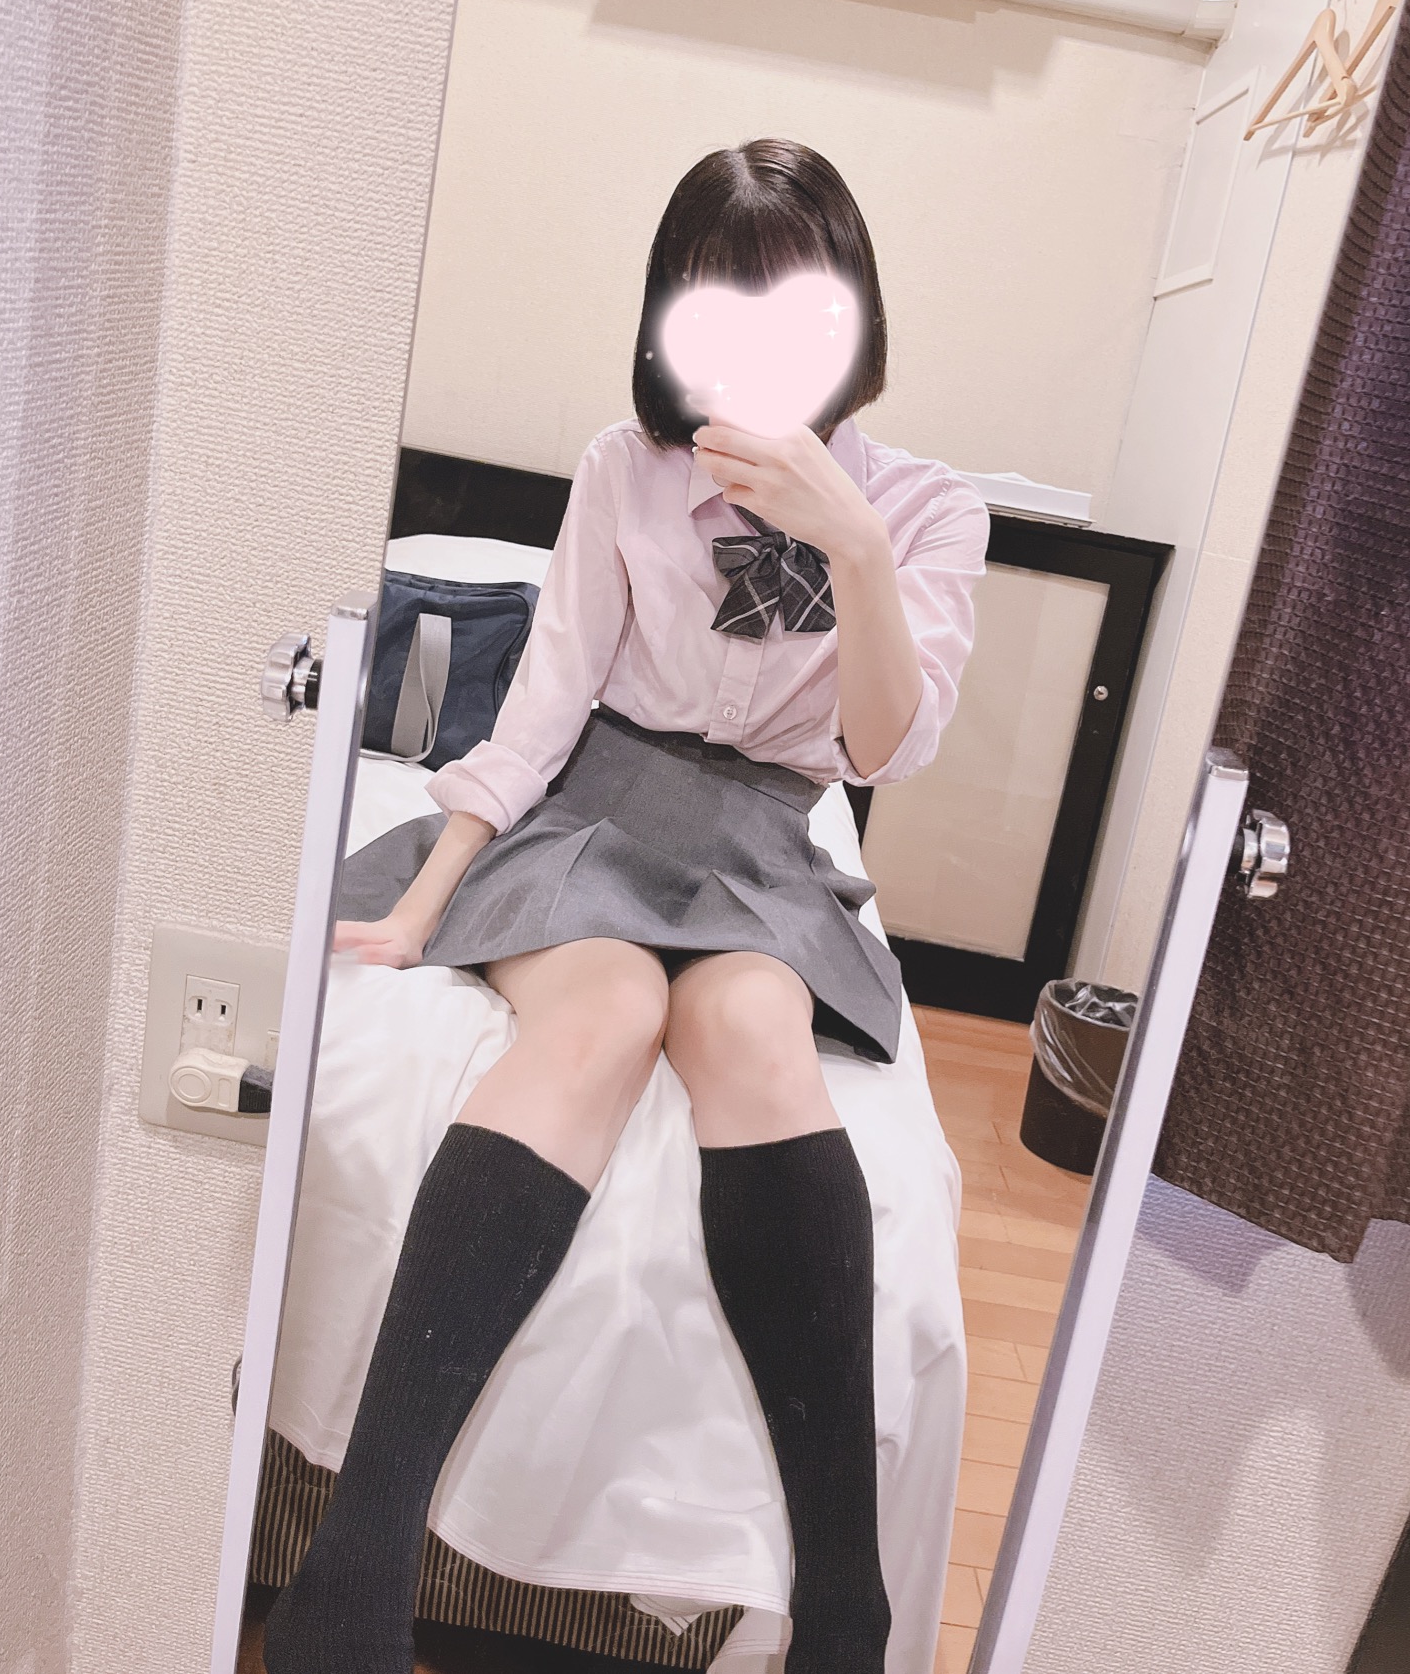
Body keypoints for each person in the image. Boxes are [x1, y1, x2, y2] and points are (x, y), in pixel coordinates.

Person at [263, 138, 988, 1674]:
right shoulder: (623, 467)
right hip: (596, 802)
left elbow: (878, 747)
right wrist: (427, 895)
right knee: (601, 1014)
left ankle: (841, 1601)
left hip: (764, 837)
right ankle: (354, 1562)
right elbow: (539, 705)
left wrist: (851, 537)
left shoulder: (924, 510)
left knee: (751, 1032)